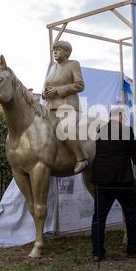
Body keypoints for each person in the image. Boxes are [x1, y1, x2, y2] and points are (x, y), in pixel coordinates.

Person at [90, 106, 136, 261]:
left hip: (101, 180)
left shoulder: (99, 131)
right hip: (123, 180)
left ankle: (97, 253)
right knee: (131, 214)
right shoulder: (127, 131)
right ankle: (133, 250)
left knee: (99, 217)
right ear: (121, 116)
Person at [42, 40, 88, 174]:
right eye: (54, 50)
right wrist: (45, 92)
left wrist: (58, 90)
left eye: (58, 50)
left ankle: (81, 158)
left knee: (66, 128)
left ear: (67, 52)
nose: (55, 52)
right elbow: (47, 86)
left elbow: (80, 85)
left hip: (68, 106)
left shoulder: (73, 64)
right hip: (49, 107)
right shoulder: (52, 68)